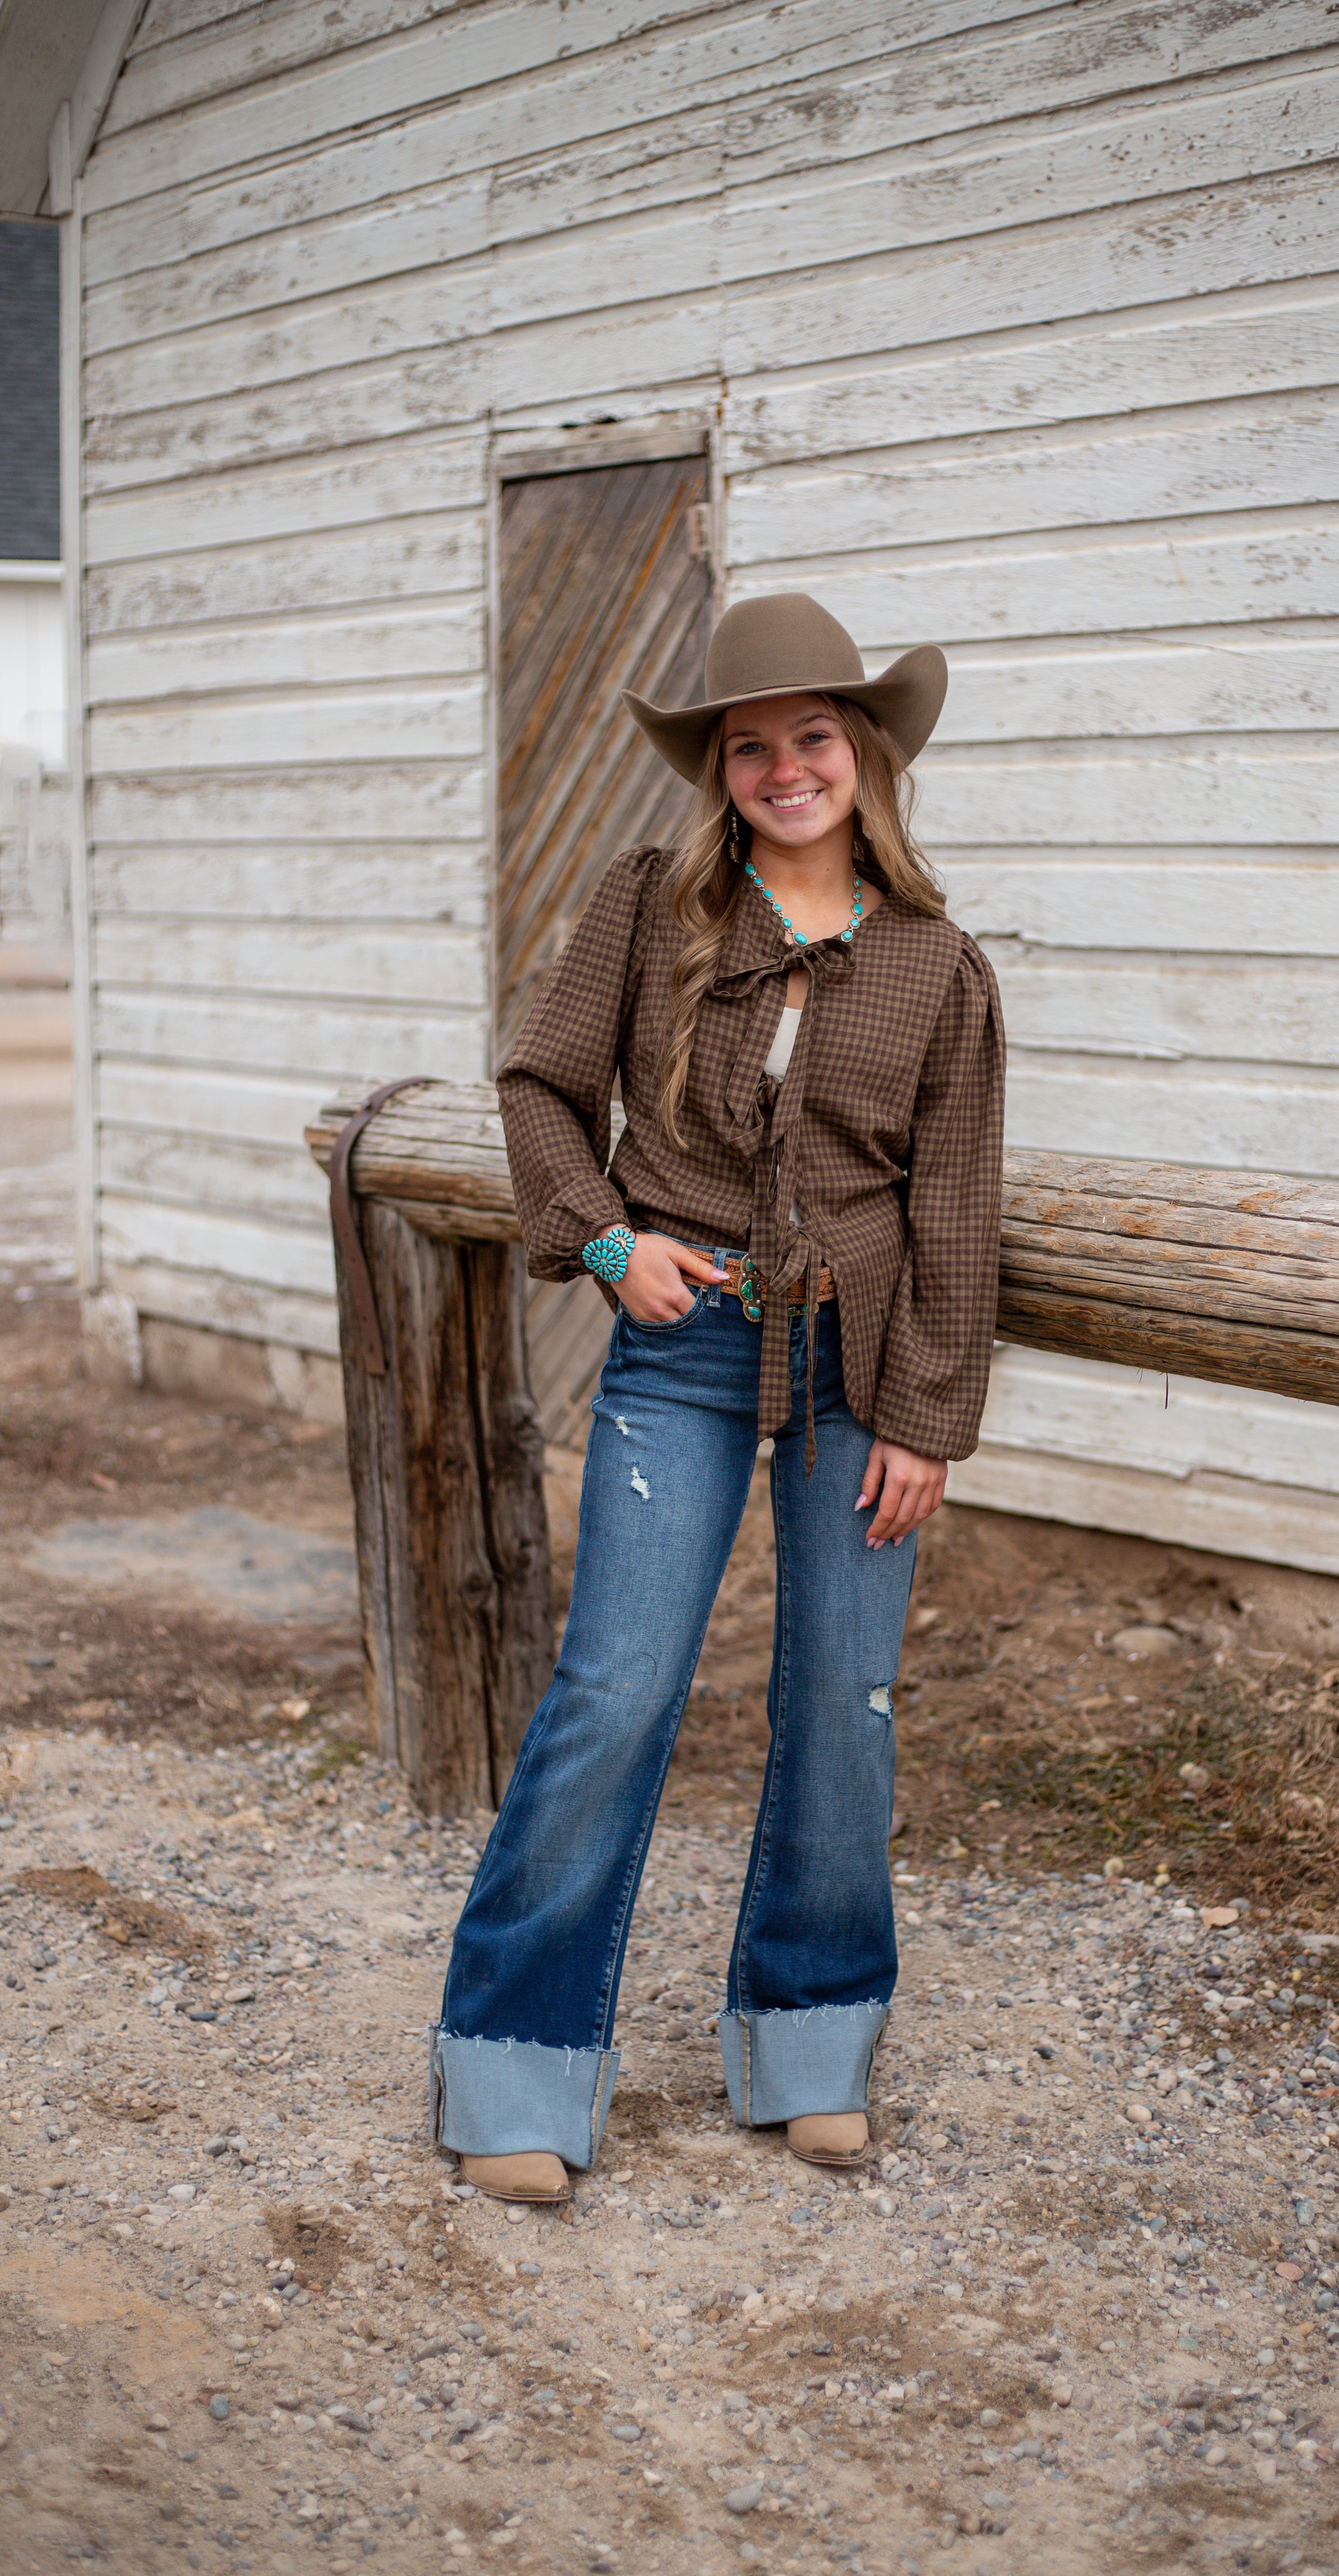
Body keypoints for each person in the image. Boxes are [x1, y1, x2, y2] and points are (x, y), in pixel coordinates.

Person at [431, 592, 1004, 2203]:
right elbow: (541, 1090)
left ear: (865, 752)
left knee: (845, 1701)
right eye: (750, 747)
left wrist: (927, 1419)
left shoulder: (938, 964)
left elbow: (956, 1205)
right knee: (617, 1688)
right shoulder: (652, 903)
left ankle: (814, 2040)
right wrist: (610, 1243)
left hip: (859, 1369)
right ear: (721, 772)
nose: (784, 769)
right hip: (681, 1347)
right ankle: (517, 2062)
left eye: (814, 737)